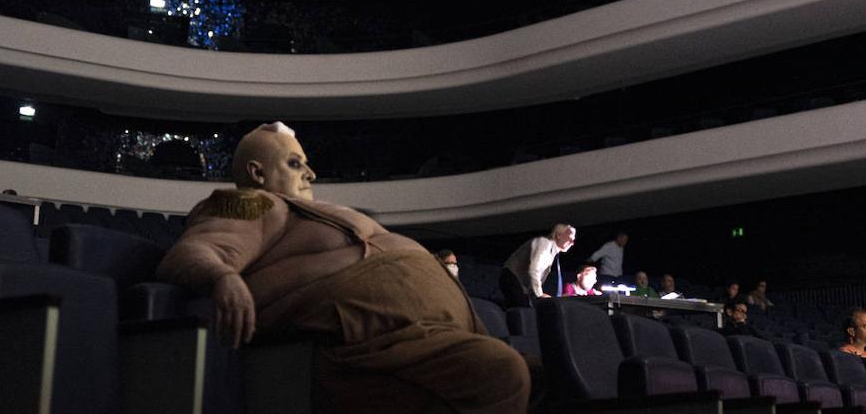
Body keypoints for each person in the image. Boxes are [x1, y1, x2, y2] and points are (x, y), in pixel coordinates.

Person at [157, 122, 529, 414]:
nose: (311, 174)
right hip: (367, 340)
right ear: (257, 174)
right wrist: (223, 277)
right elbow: (192, 251)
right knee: (504, 373)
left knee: (544, 379)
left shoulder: (312, 212)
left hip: (430, 330)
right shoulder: (253, 202)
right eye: (294, 163)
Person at [500, 223, 577, 308]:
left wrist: (539, 293)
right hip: (512, 278)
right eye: (570, 238)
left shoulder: (551, 250)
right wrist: (539, 295)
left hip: (517, 282)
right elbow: (534, 270)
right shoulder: (544, 243)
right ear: (558, 235)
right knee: (523, 312)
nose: (572, 243)